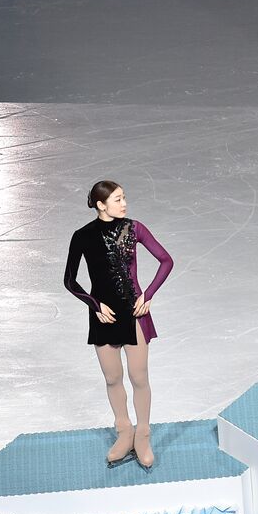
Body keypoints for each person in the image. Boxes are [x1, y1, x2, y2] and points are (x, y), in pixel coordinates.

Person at [64, 181, 173, 469]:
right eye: (117, 199)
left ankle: (143, 435)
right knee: (113, 378)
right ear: (101, 205)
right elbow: (70, 281)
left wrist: (147, 295)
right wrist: (94, 305)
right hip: (104, 316)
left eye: (124, 197)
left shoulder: (134, 228)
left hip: (134, 313)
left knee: (139, 377)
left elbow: (166, 260)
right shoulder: (82, 236)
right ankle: (124, 432)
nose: (124, 204)